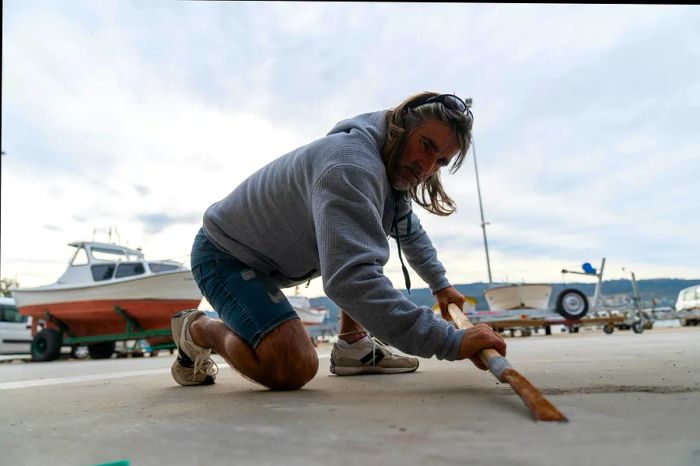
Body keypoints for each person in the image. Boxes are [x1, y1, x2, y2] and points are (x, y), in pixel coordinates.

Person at [170, 91, 507, 390]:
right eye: (426, 146)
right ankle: (198, 330)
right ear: (400, 125)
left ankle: (352, 344)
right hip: (224, 255)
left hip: (270, 260)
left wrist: (440, 285)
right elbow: (351, 280)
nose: (427, 167)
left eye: (440, 162)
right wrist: (450, 340)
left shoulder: (391, 171)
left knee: (359, 239)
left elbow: (408, 230)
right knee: (291, 365)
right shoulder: (350, 164)